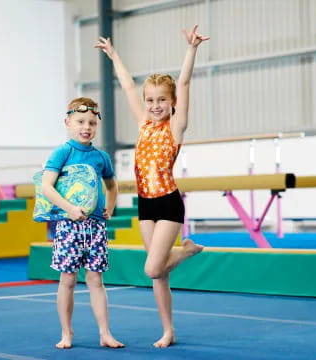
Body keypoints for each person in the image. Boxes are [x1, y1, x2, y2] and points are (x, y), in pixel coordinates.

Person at [94, 25, 209, 348]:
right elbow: (128, 86)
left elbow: (184, 82)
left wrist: (191, 50)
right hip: (146, 205)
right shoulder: (143, 122)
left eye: (161, 100)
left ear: (172, 102)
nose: (155, 105)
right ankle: (168, 330)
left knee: (152, 268)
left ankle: (186, 250)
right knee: (159, 276)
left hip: (169, 203)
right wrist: (114, 56)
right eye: (150, 100)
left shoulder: (175, 128)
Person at [41, 97, 124, 349]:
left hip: (95, 226)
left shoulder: (101, 157)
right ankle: (67, 333)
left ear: (97, 124)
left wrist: (109, 207)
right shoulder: (63, 151)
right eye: (80, 122)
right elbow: (46, 186)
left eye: (91, 122)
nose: (86, 127)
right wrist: (69, 209)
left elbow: (112, 185)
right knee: (67, 279)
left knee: (96, 280)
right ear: (68, 122)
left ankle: (105, 333)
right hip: (68, 225)